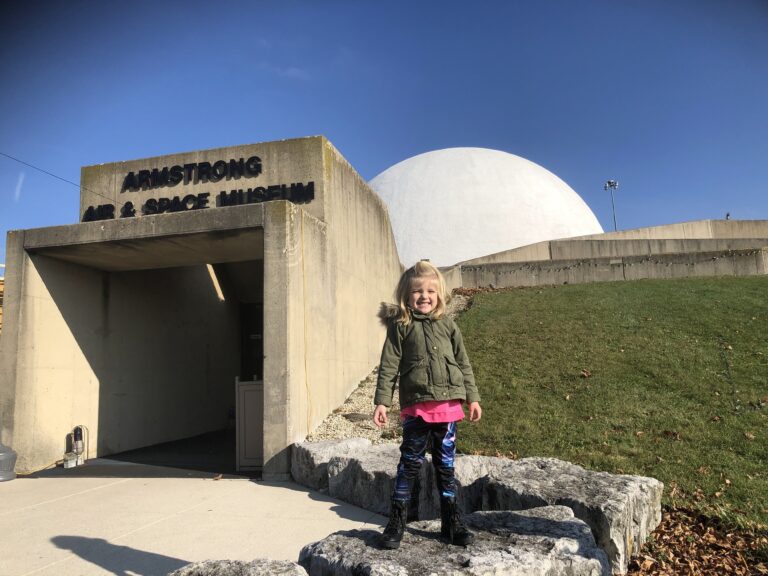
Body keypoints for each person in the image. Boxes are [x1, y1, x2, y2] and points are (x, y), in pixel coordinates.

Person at [373, 261, 482, 549]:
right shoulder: (401, 327)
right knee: (409, 465)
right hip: (417, 410)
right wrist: (382, 401)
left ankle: (451, 521)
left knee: (446, 468)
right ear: (406, 296)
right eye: (417, 291)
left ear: (439, 295)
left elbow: (463, 362)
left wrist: (473, 397)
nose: (424, 296)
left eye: (431, 291)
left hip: (447, 411)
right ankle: (397, 521)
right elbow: (388, 366)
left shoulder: (448, 325)